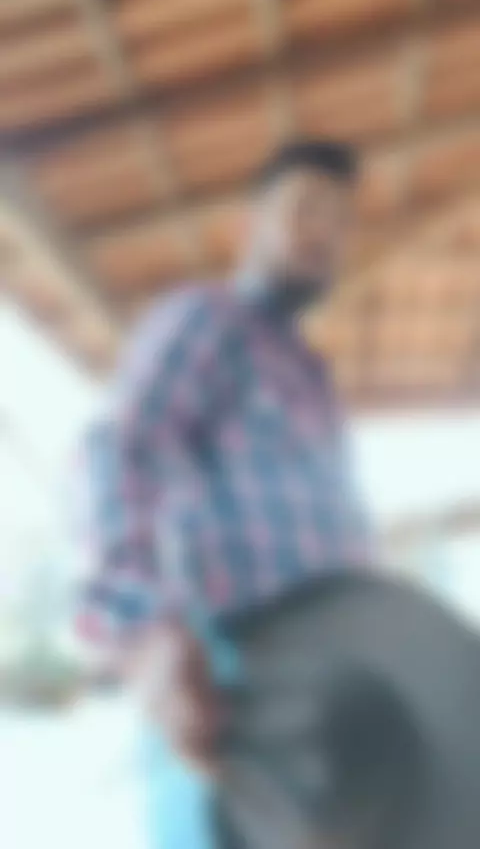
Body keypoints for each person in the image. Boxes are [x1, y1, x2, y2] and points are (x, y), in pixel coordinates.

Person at [75, 140, 377, 848]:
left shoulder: (310, 374)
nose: (325, 232)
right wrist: (143, 630)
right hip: (222, 677)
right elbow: (122, 449)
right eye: (305, 208)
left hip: (322, 683)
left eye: (341, 220)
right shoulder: (206, 321)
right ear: (248, 226)